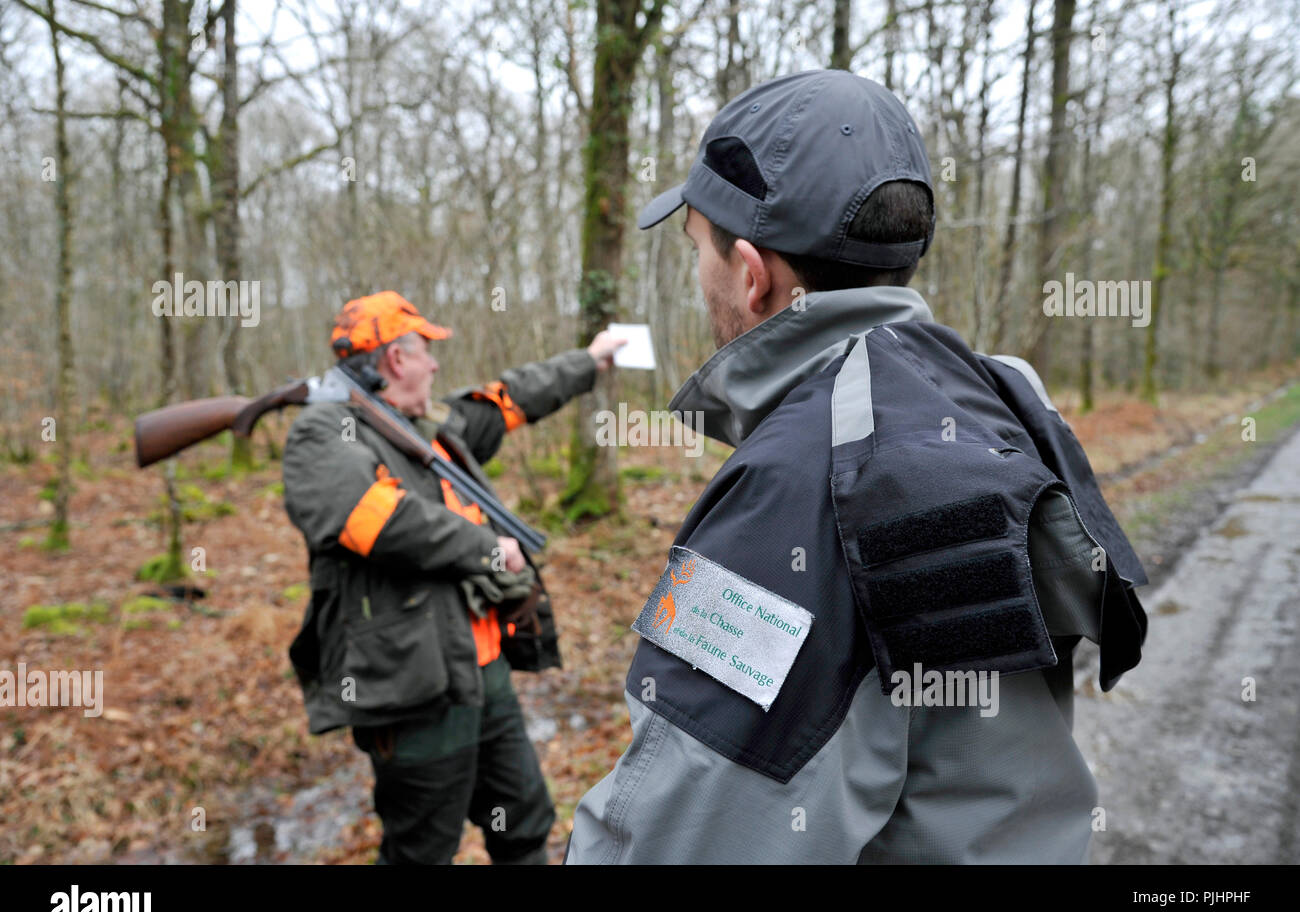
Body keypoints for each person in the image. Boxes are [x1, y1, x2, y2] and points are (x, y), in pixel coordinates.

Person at [566, 70, 1148, 864]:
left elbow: (675, 836)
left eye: (697, 248)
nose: (699, 277)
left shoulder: (796, 483)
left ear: (748, 271)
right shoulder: (998, 397)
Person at [282, 290, 623, 864]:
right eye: (424, 351)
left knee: (523, 823)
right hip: (412, 686)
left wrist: (589, 361)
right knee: (421, 850)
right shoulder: (324, 432)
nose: (435, 364)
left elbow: (507, 401)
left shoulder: (424, 426)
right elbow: (378, 522)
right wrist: (489, 549)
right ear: (394, 359)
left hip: (483, 673)